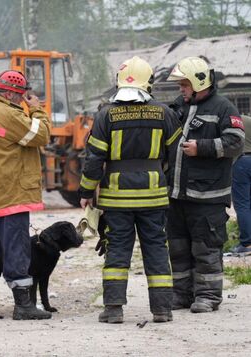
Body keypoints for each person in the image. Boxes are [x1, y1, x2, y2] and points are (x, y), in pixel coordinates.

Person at [79, 56, 181, 324]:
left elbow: (94, 159)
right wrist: (166, 183)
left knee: (117, 250)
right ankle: (162, 310)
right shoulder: (165, 113)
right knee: (157, 249)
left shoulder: (105, 115)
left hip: (117, 198)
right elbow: (176, 155)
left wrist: (86, 192)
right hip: (154, 196)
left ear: (119, 82)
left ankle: (113, 308)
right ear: (149, 83)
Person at [0, 70, 52, 320]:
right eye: (22, 96)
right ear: (13, 94)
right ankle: (23, 305)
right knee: (16, 247)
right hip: (10, 192)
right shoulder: (8, 114)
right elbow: (41, 135)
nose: (23, 100)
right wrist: (36, 110)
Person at [166, 57, 244, 313]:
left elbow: (236, 144)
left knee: (205, 248)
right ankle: (181, 296)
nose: (181, 89)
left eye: (185, 84)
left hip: (208, 197)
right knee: (177, 249)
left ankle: (208, 296)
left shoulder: (224, 108)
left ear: (200, 83)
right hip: (177, 195)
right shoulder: (178, 106)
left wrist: (202, 147)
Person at [231, 115, 251, 256]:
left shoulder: (229, 120)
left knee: (242, 204)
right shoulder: (248, 120)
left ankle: (247, 243)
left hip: (241, 161)